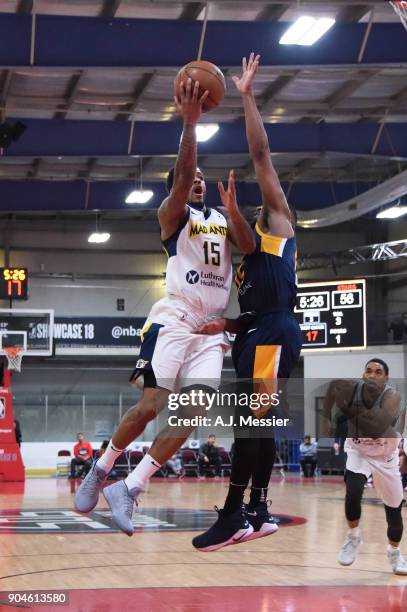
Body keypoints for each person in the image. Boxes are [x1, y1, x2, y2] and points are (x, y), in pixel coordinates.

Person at [75, 77, 255, 536]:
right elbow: (184, 169)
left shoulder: (219, 218)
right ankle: (101, 468)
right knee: (152, 405)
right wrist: (189, 126)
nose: (195, 180)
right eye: (188, 177)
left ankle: (130, 486)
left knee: (194, 411)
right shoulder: (171, 216)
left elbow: (250, 245)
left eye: (199, 179)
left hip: (210, 329)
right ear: (177, 184)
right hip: (172, 319)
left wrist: (234, 210)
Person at [191, 53, 302, 551]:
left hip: (274, 334)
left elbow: (261, 157)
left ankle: (237, 512)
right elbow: (253, 303)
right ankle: (257, 509)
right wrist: (228, 326)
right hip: (260, 334)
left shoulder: (277, 225)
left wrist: (247, 95)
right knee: (257, 428)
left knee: (248, 428)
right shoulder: (252, 251)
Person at [321, 358, 407, 575]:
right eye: (368, 371)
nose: (372, 375)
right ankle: (353, 537)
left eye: (378, 372)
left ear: (386, 377)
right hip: (358, 450)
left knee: (394, 512)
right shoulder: (352, 389)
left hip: (386, 455)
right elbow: (332, 388)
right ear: (363, 375)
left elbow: (376, 427)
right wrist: (326, 418)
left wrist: (345, 411)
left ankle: (394, 553)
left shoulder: (393, 398)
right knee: (353, 492)